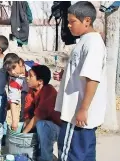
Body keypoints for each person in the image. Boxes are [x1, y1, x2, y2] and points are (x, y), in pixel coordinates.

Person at [53, 2, 107, 161]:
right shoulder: (85, 40)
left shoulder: (93, 43)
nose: (68, 25)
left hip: (76, 112)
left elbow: (92, 78)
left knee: (70, 154)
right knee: (84, 154)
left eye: (72, 21)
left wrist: (83, 108)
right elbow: (83, 71)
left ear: (87, 21)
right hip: (78, 112)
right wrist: (66, 74)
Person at [22, 65, 61, 161]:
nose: (27, 78)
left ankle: (46, 158)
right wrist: (23, 129)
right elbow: (27, 114)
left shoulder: (48, 91)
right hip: (42, 125)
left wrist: (23, 134)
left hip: (56, 127)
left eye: (31, 76)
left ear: (40, 81)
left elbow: (37, 117)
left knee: (41, 125)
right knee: (28, 125)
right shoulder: (31, 92)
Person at [3, 53, 30, 131]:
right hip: (25, 96)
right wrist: (14, 121)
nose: (13, 72)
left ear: (20, 63)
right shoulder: (13, 79)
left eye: (14, 67)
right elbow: (13, 100)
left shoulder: (33, 69)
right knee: (24, 117)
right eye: (9, 70)